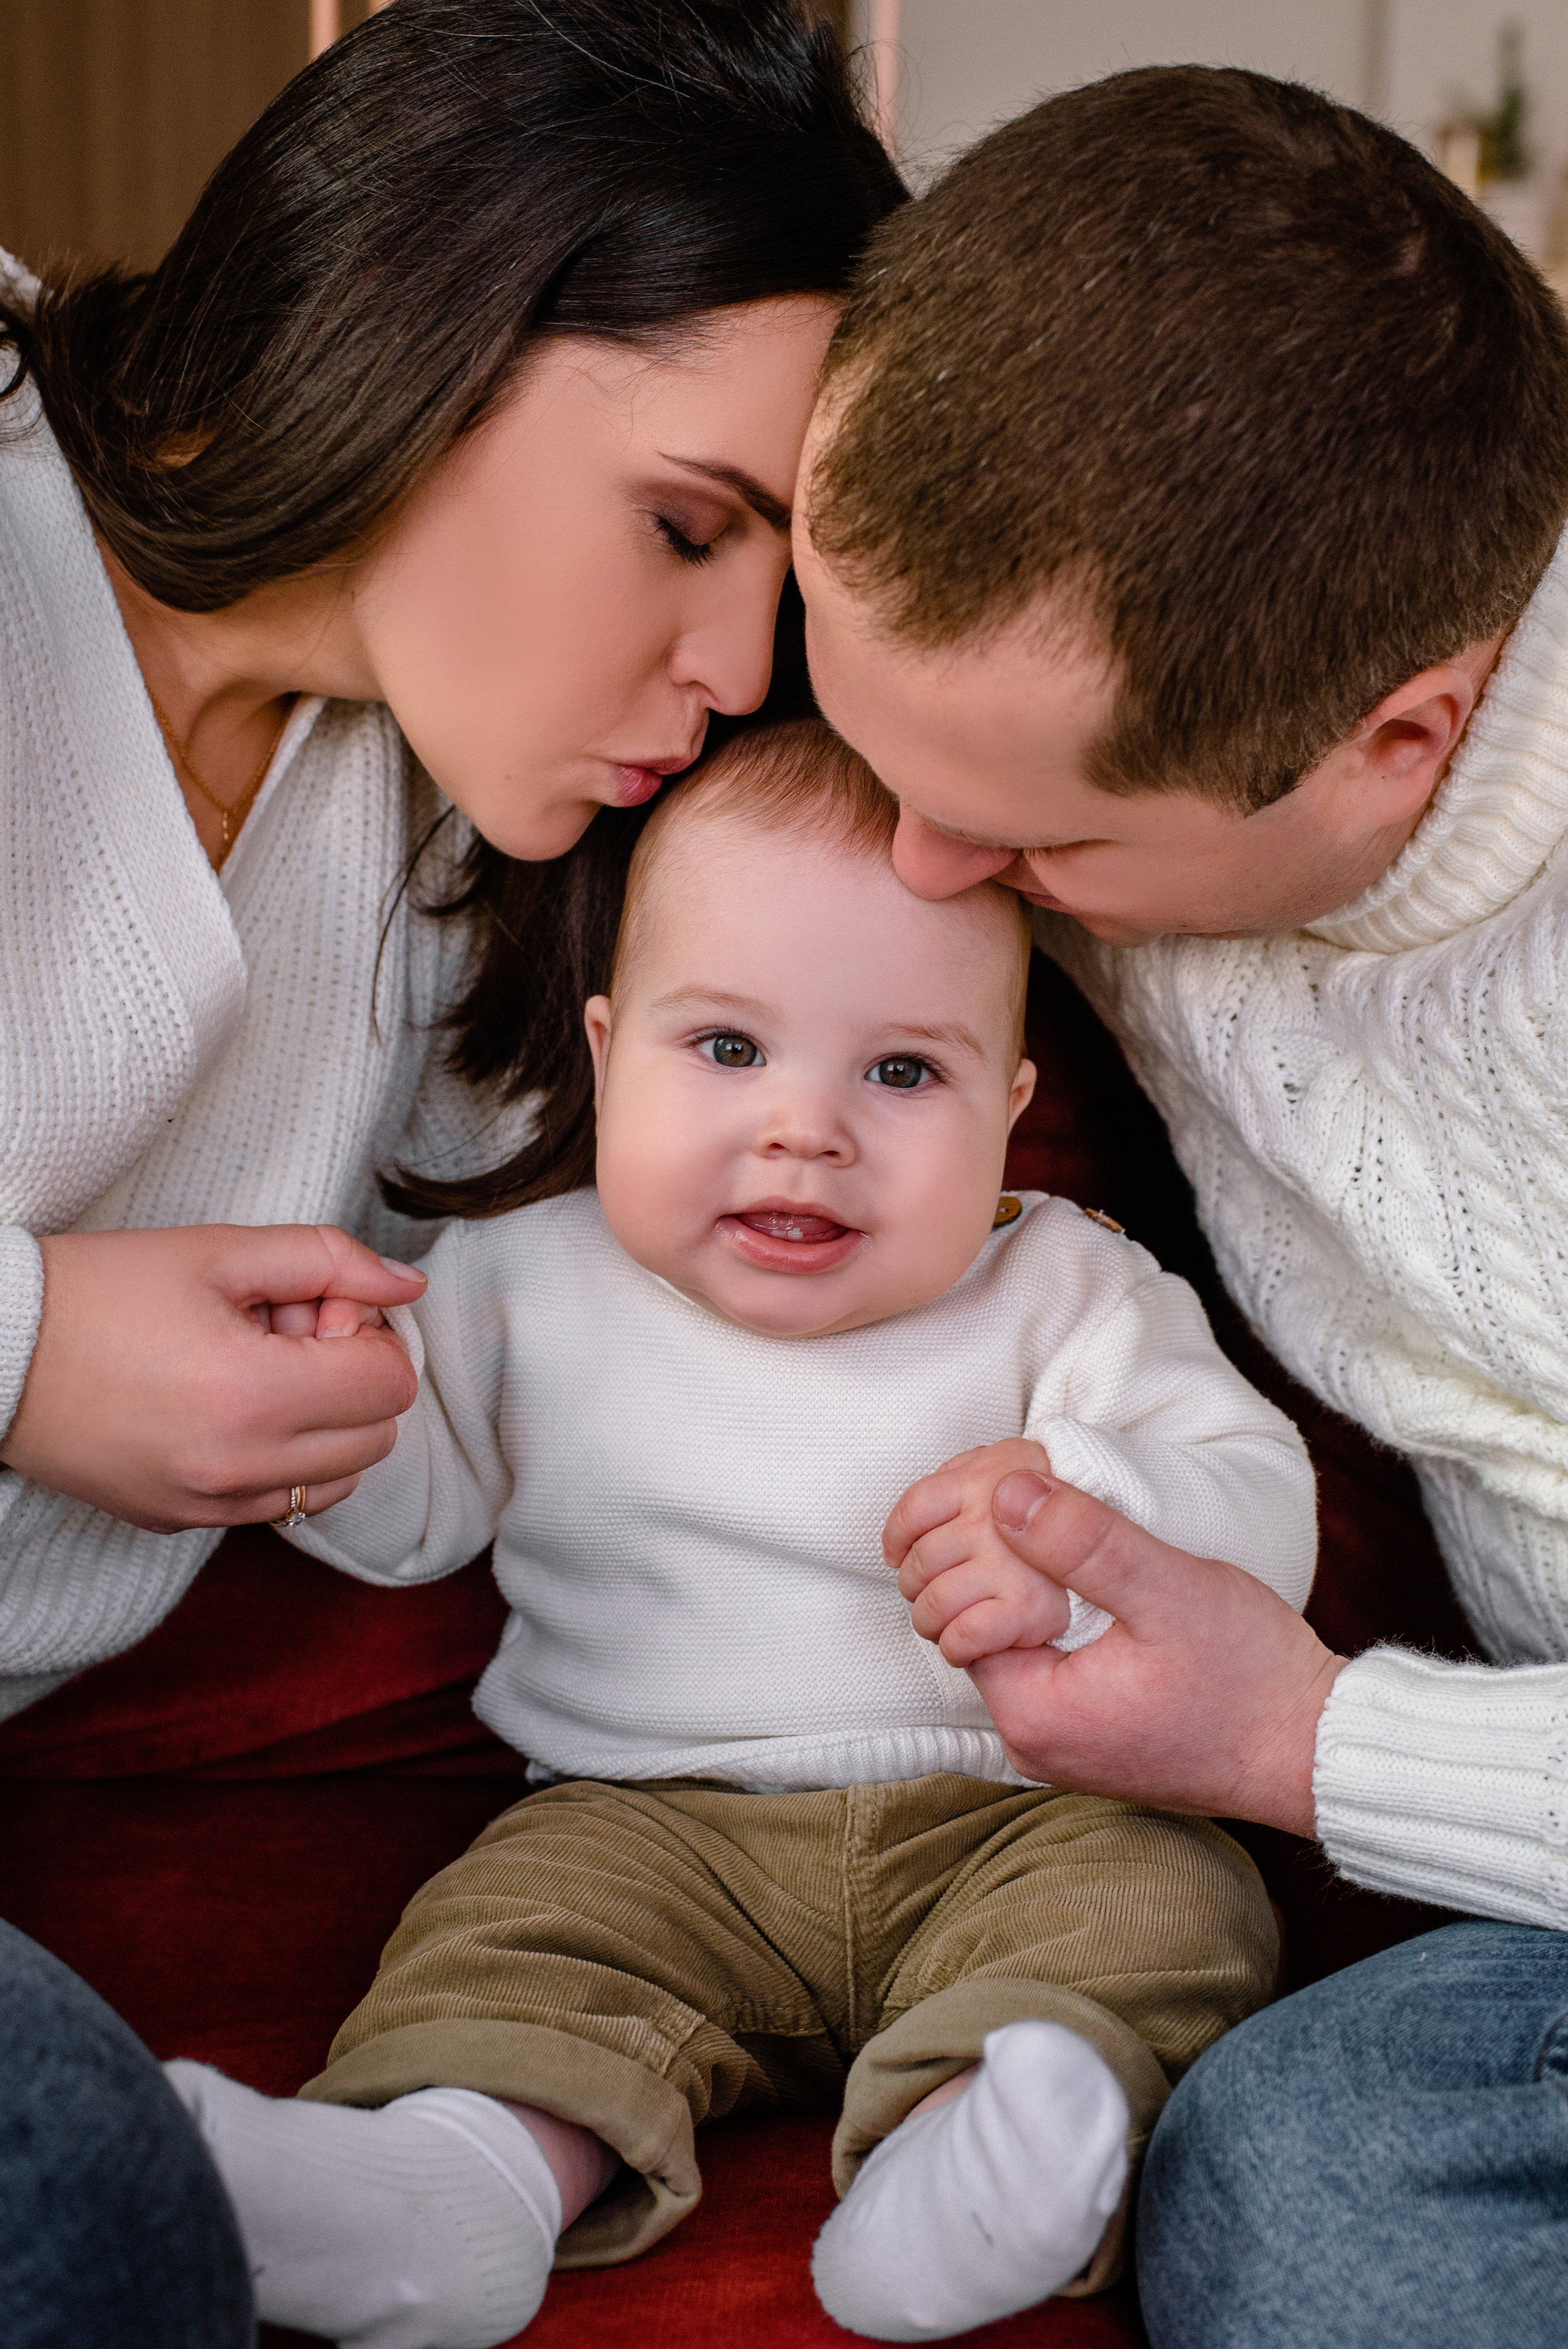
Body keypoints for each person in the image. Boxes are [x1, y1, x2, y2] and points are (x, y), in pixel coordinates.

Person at [0, 4, 902, 2340]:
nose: (724, 667)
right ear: (434, 305)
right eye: (691, 527)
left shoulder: (454, 829)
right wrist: (20, 1348)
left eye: (777, 602)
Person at [164, 720, 1314, 2349]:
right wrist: (320, 1419)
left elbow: (1257, 1496)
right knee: (512, 1938)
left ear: (1009, 1109)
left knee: (1164, 1909)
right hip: (645, 1826)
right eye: (726, 1049)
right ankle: (459, 2175)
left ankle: (973, 2158)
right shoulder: (522, 1276)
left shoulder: (1065, 1282)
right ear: (607, 1043)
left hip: (1017, 1818)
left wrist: (1086, 1513)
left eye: (903, 1070)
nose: (807, 1129)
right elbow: (412, 1510)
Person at [792, 61, 1568, 2349]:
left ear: (1396, 746)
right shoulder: (1130, 713)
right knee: (1306, 2179)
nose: (923, 877)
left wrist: (1306, 1739)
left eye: (1028, 849)